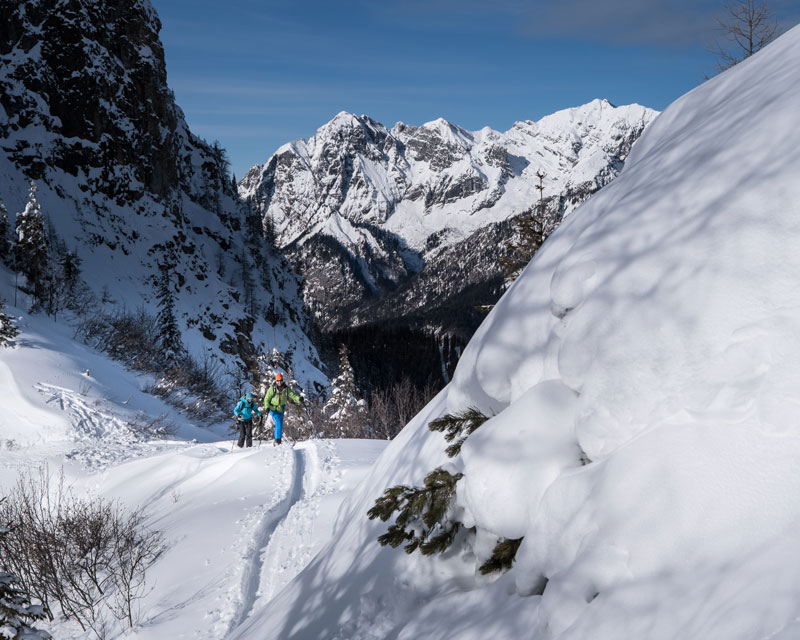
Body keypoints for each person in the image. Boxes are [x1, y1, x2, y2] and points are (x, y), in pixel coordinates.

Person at [264, 372, 302, 445]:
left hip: (281, 409)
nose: (279, 382)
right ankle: (278, 441)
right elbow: (266, 399)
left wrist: (299, 398)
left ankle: (277, 440)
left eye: (280, 380)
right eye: (278, 380)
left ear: (282, 380)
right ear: (275, 380)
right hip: (273, 409)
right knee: (278, 423)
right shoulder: (272, 389)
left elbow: (293, 395)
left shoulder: (286, 388)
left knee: (280, 425)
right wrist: (267, 407)